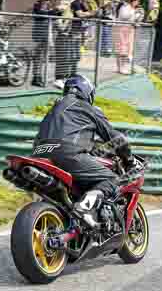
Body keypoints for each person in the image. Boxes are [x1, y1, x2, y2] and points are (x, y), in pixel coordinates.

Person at [31, 74, 135, 228]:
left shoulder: (53, 110)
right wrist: (129, 159)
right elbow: (116, 139)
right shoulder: (87, 108)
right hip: (66, 154)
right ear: (87, 91)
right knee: (112, 180)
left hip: (39, 154)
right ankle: (84, 208)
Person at [31, 0, 62, 87]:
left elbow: (53, 16)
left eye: (48, 0)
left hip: (46, 35)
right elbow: (43, 14)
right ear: (41, 0)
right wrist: (55, 10)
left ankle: (39, 77)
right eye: (46, 0)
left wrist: (59, 11)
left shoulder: (47, 8)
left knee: (42, 58)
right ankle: (36, 77)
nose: (47, 2)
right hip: (39, 35)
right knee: (38, 57)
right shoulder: (37, 8)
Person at [114, 0, 144, 75]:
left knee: (127, 50)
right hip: (121, 29)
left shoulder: (135, 9)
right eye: (135, 0)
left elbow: (137, 20)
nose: (136, 2)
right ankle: (120, 68)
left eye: (138, 0)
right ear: (131, 0)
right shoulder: (125, 7)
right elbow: (124, 16)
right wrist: (134, 12)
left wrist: (140, 14)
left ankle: (123, 67)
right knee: (121, 49)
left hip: (130, 30)